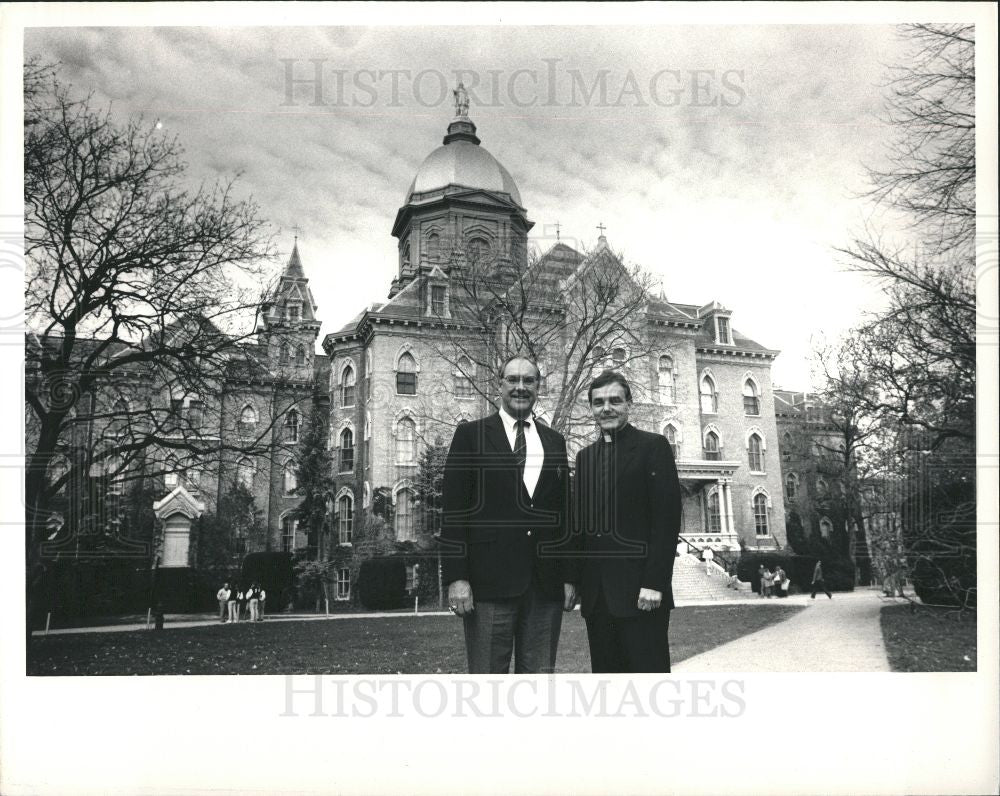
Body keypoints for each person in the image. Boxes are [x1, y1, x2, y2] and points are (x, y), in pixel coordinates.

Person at [441, 354, 574, 674]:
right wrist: (457, 577)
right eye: (513, 380)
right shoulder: (470, 436)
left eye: (529, 380)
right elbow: (454, 510)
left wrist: (570, 575)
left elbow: (565, 514)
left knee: (539, 684)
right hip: (488, 585)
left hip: (544, 586)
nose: (520, 386)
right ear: (499, 384)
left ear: (538, 387)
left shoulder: (554, 441)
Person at [569, 371, 682, 673]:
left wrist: (654, 583)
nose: (606, 408)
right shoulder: (584, 458)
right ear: (591, 408)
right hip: (597, 599)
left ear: (628, 403)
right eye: (598, 402)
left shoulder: (653, 447)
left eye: (614, 400)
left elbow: (667, 520)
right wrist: (573, 580)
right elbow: (579, 526)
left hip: (642, 595)